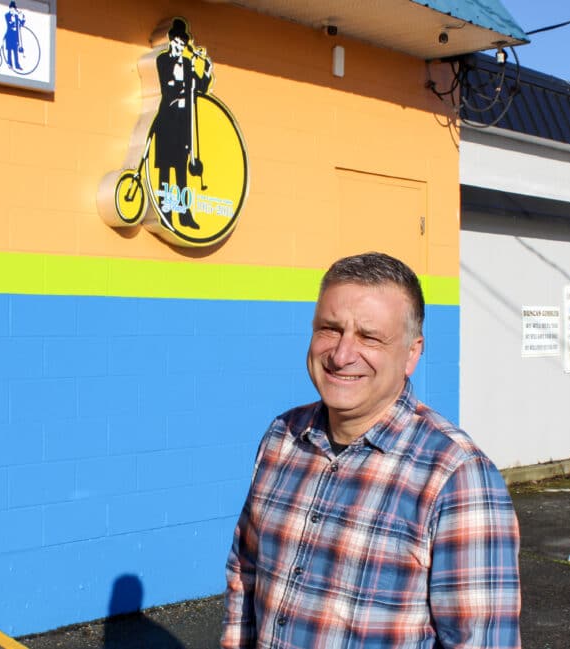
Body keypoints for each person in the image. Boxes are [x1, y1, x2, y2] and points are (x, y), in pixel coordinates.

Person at [222, 252, 521, 649]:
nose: (342, 355)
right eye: (330, 329)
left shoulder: (457, 476)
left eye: (369, 337)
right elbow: (245, 572)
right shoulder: (283, 438)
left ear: (412, 353)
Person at [151, 18, 212, 232]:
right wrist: (183, 87)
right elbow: (167, 89)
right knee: (165, 170)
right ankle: (165, 213)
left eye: (183, 43)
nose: (180, 46)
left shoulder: (187, 64)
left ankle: (184, 215)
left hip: (182, 124)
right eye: (177, 42)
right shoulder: (163, 60)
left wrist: (205, 70)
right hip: (167, 121)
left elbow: (200, 87)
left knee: (181, 170)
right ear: (170, 40)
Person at [3, 1, 26, 71]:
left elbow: (21, 24)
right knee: (9, 51)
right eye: (12, 8)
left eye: (14, 8)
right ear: (10, 8)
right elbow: (10, 24)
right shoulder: (7, 15)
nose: (13, 10)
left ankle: (17, 65)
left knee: (15, 52)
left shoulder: (16, 16)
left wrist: (23, 17)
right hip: (9, 35)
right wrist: (14, 20)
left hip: (15, 36)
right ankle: (9, 64)